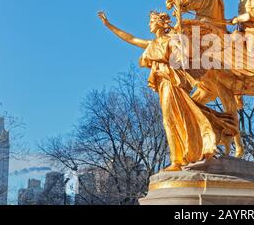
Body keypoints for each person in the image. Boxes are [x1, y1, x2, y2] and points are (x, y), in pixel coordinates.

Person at [98, 11, 236, 171]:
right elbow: (131, 39)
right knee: (174, 120)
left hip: (172, 84)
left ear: (160, 23)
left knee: (170, 120)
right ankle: (182, 157)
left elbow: (187, 56)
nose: (149, 24)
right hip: (163, 84)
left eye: (151, 21)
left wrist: (181, 40)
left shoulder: (171, 41)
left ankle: (177, 161)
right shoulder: (153, 44)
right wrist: (109, 25)